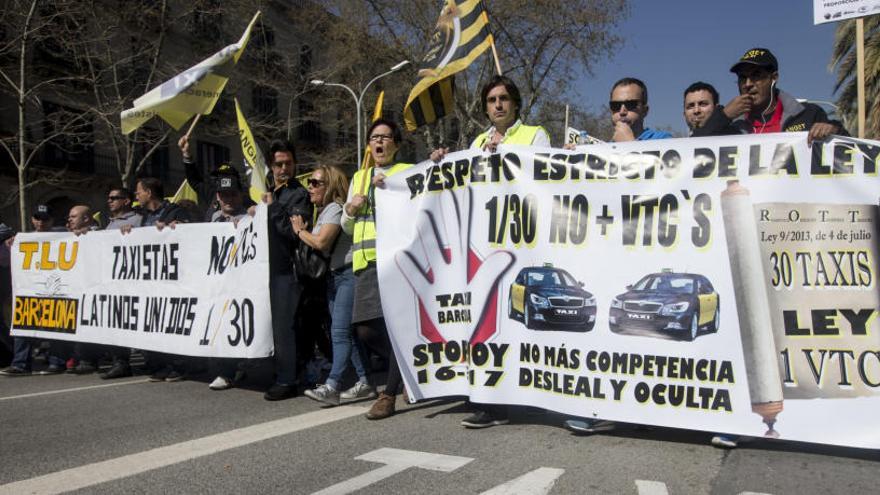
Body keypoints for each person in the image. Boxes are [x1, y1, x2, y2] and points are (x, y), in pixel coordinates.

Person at [341, 119, 412, 419]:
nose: (379, 142)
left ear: (395, 144)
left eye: (385, 137)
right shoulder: (358, 178)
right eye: (374, 138)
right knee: (366, 330)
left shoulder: (406, 173)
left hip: (396, 262)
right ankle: (408, 367)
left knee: (396, 327)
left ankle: (388, 394)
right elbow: (346, 226)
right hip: (366, 262)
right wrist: (351, 208)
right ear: (369, 145)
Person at [298, 165, 376, 406]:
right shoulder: (323, 210)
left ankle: (332, 385)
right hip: (336, 276)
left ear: (329, 185)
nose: (309, 187)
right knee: (348, 333)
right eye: (309, 182)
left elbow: (321, 242)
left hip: (347, 274)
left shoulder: (333, 207)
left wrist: (300, 231)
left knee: (340, 332)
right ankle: (365, 382)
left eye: (315, 183)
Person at [693, 48, 847, 142]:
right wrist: (724, 115)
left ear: (774, 78)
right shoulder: (730, 125)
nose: (748, 84)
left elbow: (851, 148)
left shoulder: (808, 114)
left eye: (756, 76)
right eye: (742, 78)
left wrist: (832, 130)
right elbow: (689, 150)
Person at [262, 139, 312, 400]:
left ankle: (287, 379)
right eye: (278, 164)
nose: (284, 169)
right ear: (271, 167)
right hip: (262, 270)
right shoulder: (266, 191)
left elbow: (292, 233)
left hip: (286, 271)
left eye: (288, 164)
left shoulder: (299, 195)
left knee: (285, 327)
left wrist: (272, 207)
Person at [431, 75, 550, 162]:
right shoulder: (477, 142)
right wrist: (444, 161)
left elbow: (543, 181)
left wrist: (500, 156)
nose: (498, 105)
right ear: (486, 109)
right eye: (492, 100)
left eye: (503, 98)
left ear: (516, 104)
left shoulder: (536, 135)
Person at [205, 169, 251, 391]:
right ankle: (225, 371)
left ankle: (242, 366)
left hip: (244, 283)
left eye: (232, 194)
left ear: (240, 195)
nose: (228, 199)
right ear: (217, 197)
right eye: (223, 195)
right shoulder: (213, 219)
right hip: (219, 284)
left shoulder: (251, 217)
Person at [99, 188, 142, 379]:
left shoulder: (137, 220)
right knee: (115, 321)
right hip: (112, 281)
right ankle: (120, 362)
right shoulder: (110, 223)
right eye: (109, 198)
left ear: (126, 201)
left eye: (114, 198)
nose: (110, 201)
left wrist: (134, 234)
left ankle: (150, 359)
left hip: (132, 281)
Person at [608, 77, 672, 142]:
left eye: (630, 104)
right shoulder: (604, 147)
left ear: (645, 111)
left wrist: (628, 143)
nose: (622, 112)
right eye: (615, 105)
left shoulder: (663, 140)